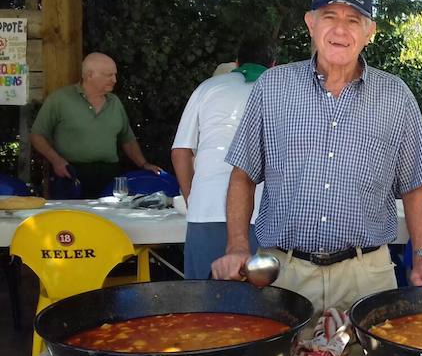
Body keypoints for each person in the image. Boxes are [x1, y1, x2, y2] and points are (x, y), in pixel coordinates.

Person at [211, 0, 422, 320]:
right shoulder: (272, 87)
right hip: (284, 273)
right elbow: (243, 174)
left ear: (369, 31)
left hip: (367, 275)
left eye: (353, 20)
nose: (341, 29)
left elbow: (415, 186)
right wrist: (237, 247)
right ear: (311, 23)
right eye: (329, 16)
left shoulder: (396, 96)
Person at [171, 42, 277, 279]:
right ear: (273, 65)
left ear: (237, 63)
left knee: (202, 302)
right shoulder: (280, 92)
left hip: (205, 207)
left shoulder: (207, 88)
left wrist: (192, 199)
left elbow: (180, 152)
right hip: (262, 210)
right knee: (260, 306)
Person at [30, 52, 161, 198]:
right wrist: (56, 160)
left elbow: (127, 139)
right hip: (70, 174)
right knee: (73, 219)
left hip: (108, 175)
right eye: (108, 75)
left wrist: (143, 164)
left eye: (115, 75)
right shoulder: (60, 99)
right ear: (89, 75)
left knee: (107, 219)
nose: (114, 80)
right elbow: (37, 135)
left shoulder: (115, 103)